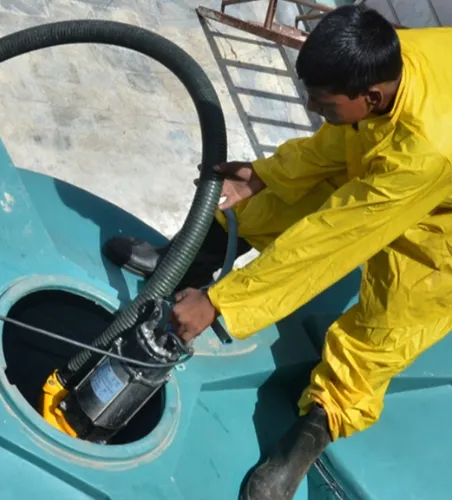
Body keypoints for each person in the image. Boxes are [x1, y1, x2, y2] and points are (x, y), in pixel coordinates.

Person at [104, 5, 452, 499]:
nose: (314, 111)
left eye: (324, 103)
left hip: (444, 221)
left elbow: (331, 242)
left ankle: (310, 433)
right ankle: (181, 262)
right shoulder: (394, 59)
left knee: (388, 327)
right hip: (402, 153)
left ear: (371, 95)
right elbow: (342, 136)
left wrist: (222, 303)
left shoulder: (424, 149)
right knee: (284, 195)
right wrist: (271, 172)